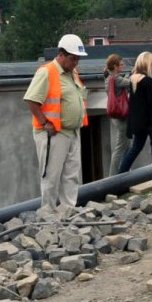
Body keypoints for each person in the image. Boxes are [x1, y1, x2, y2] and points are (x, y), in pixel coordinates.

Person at [23, 33, 89, 212]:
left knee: (71, 175)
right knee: (51, 177)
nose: (76, 62)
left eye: (78, 59)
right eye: (73, 58)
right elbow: (31, 100)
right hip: (53, 134)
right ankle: (49, 214)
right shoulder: (47, 72)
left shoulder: (72, 73)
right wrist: (44, 122)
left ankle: (68, 211)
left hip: (72, 132)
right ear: (61, 54)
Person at [117, 51, 152, 190]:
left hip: (139, 123)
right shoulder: (147, 80)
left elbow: (140, 99)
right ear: (147, 64)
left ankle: (118, 178)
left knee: (135, 149)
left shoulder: (132, 79)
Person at [104, 54, 131, 176]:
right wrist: (132, 74)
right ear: (115, 66)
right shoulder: (116, 78)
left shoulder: (108, 78)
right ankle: (113, 177)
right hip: (122, 117)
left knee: (127, 146)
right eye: (121, 64)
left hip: (115, 116)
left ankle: (125, 172)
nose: (123, 66)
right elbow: (130, 83)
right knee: (120, 148)